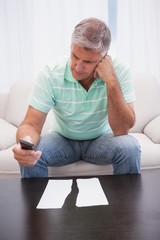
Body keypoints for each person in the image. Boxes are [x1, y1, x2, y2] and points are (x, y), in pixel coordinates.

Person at [12, 17, 141, 178]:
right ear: (71, 47)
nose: (78, 67)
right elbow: (31, 124)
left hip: (101, 139)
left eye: (88, 61)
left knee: (130, 147)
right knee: (32, 154)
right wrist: (25, 143)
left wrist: (111, 82)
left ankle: (126, 204)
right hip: (62, 139)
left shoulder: (120, 71)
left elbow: (122, 130)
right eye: (74, 56)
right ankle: (36, 204)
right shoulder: (51, 73)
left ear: (103, 57)